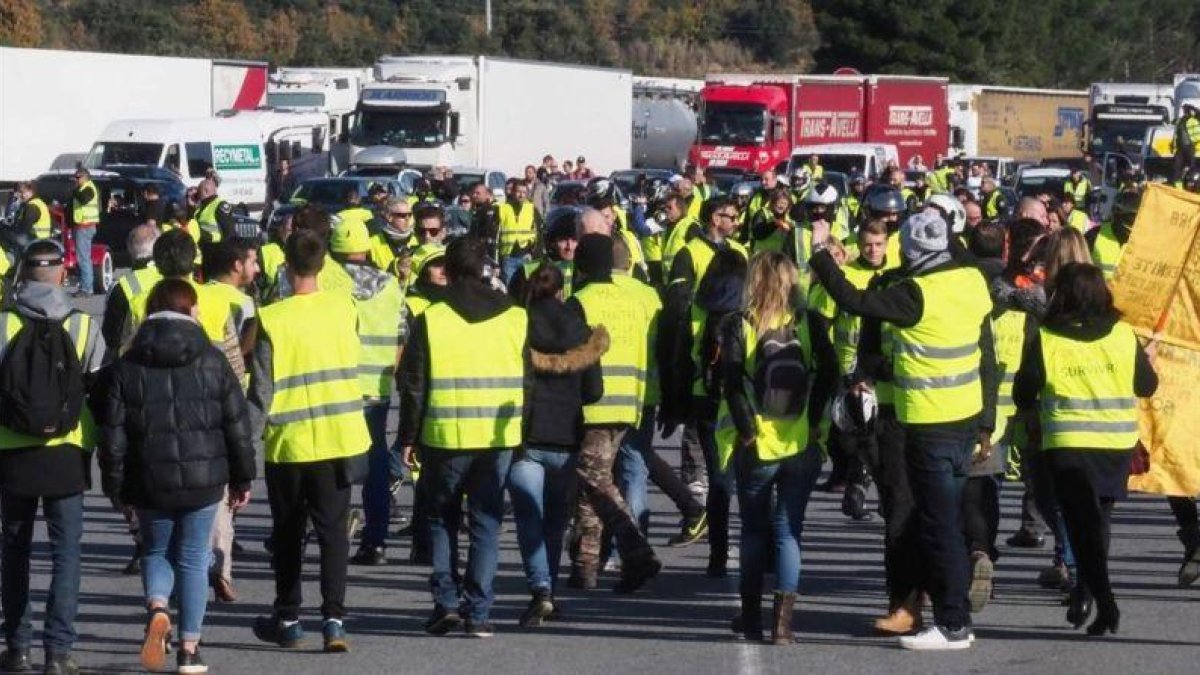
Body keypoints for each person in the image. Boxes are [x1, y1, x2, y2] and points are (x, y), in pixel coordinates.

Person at [810, 210, 998, 650]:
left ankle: (953, 622)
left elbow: (852, 300)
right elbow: (987, 355)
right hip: (964, 420)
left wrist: (820, 253)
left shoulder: (915, 293)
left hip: (928, 421)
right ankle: (950, 611)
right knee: (944, 520)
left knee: (936, 525)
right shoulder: (971, 281)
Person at [98, 278, 255, 675]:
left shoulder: (127, 365)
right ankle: (189, 650)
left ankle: (157, 606)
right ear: (193, 311)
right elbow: (237, 424)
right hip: (205, 479)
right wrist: (242, 478)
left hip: (148, 478)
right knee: (192, 557)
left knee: (155, 551)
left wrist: (115, 488)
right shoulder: (213, 359)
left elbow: (112, 436)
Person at [1013, 262, 1158, 637]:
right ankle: (1093, 595)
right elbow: (1146, 386)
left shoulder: (1048, 337)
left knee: (1081, 526)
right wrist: (1148, 361)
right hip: (1114, 444)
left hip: (1068, 443)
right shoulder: (1124, 335)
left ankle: (1101, 599)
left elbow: (1023, 392)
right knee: (1098, 522)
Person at [398, 237, 528, 637]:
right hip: (497, 438)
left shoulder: (432, 318)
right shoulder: (515, 317)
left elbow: (414, 385)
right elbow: (530, 380)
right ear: (486, 269)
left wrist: (408, 437)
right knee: (487, 524)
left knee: (441, 520)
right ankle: (479, 613)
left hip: (443, 436)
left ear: (448, 272)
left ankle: (446, 603)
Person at [249, 229, 368, 653]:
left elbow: (261, 389)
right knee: (334, 532)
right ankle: (334, 619)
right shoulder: (344, 309)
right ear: (321, 266)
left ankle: (288, 616)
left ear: (286, 265)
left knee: (288, 532)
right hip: (338, 436)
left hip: (289, 442)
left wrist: (244, 447)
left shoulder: (273, 318)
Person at [0, 240, 106, 675]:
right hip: (67, 452)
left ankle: (17, 648)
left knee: (14, 551)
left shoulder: (4, 324)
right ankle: (58, 652)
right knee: (66, 553)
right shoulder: (83, 326)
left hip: (10, 453)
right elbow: (101, 394)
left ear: (21, 277)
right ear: (63, 274)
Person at [721, 249, 835, 644]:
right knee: (789, 532)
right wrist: (817, 423)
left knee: (753, 531)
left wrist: (747, 430)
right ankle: (782, 624)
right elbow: (829, 374)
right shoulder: (809, 322)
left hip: (759, 443)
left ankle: (751, 617)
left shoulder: (740, 323)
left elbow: (732, 383)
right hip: (800, 440)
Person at [508, 263, 605, 626]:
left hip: (526, 436)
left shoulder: (516, 325)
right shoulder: (581, 330)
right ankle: (548, 589)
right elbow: (594, 392)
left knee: (528, 517)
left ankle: (541, 589)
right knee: (554, 522)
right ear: (562, 290)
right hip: (566, 437)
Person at [564, 234, 662, 592]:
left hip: (594, 405)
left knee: (597, 483)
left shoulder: (581, 301)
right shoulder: (642, 297)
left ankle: (637, 552)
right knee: (593, 482)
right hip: (632, 400)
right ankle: (584, 567)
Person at [663, 197, 749, 577]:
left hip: (729, 372)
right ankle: (715, 541)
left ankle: (728, 543)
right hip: (704, 373)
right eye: (731, 216)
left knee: (728, 473)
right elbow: (678, 311)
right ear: (716, 218)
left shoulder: (740, 251)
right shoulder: (689, 252)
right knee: (715, 468)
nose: (736, 222)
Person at [327, 219, 406, 567]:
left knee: (332, 465)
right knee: (375, 465)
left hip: (335, 386)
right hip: (376, 388)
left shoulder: (326, 283)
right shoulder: (389, 284)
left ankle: (333, 534)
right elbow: (402, 334)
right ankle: (376, 541)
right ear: (368, 249)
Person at [508, 207, 577, 300]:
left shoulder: (584, 271)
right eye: (563, 240)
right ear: (550, 241)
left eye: (574, 240)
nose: (570, 247)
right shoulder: (527, 272)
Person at [497, 180, 540, 283]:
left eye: (524, 192)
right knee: (509, 288)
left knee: (527, 289)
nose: (521, 195)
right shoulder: (502, 208)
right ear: (512, 192)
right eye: (518, 192)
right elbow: (496, 235)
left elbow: (538, 234)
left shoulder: (531, 209)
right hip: (508, 257)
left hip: (526, 257)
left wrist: (533, 253)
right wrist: (496, 262)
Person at [70, 168, 101, 296]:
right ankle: (85, 286)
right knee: (83, 257)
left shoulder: (88, 188)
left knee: (83, 258)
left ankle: (86, 288)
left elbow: (83, 199)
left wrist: (75, 189)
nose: (76, 180)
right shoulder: (84, 188)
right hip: (82, 226)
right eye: (75, 177)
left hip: (85, 226)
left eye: (78, 177)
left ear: (86, 177)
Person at [193, 178, 234, 246]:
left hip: (215, 246)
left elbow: (228, 233)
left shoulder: (220, 205)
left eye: (199, 191)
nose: (198, 194)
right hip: (203, 244)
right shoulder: (201, 205)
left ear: (206, 191)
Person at [1172, 105, 1200, 182]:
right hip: (1180, 148)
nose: (1184, 112)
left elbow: (1197, 134)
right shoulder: (1180, 121)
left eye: (1185, 110)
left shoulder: (1193, 120)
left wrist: (1192, 141)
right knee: (1176, 167)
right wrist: (1173, 145)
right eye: (1184, 110)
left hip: (1190, 146)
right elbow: (1176, 134)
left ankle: (1191, 183)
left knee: (1191, 167)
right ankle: (1178, 188)